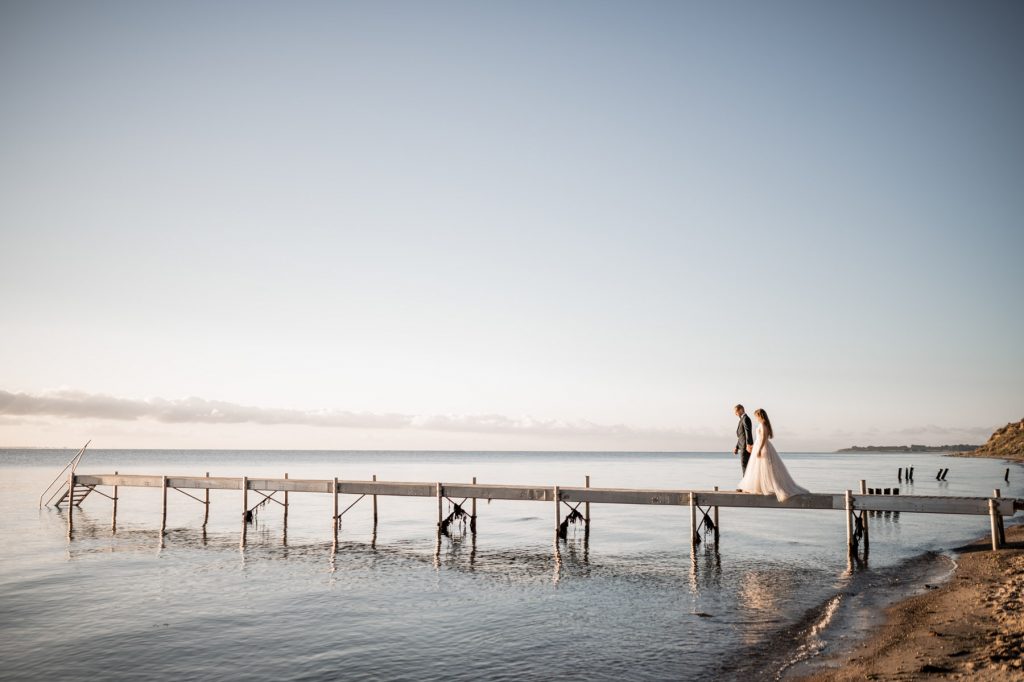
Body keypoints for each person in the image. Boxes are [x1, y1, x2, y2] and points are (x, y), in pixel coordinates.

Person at [736, 409, 809, 501]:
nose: (755, 418)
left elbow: (763, 438)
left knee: (765, 467)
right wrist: (754, 446)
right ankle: (759, 486)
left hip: (762, 447)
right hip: (758, 446)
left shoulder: (763, 424)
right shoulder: (762, 424)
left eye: (756, 416)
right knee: (759, 468)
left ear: (759, 415)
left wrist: (759, 449)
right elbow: (759, 439)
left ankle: (766, 486)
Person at [734, 404, 753, 474]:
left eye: (736, 412)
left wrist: (749, 444)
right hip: (742, 446)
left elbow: (748, 432)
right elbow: (741, 435)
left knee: (745, 465)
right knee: (745, 465)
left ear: (741, 409)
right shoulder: (742, 419)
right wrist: (736, 447)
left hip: (746, 447)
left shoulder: (745, 419)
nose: (735, 414)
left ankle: (746, 484)